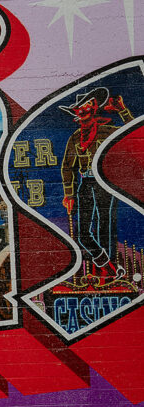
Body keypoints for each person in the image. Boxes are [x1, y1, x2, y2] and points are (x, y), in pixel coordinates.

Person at [60, 87, 133, 283]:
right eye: (80, 107)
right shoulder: (75, 137)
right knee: (83, 233)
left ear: (94, 108)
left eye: (88, 105)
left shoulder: (107, 130)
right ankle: (109, 267)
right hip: (85, 183)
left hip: (105, 183)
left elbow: (133, 134)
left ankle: (107, 274)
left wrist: (122, 111)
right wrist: (69, 195)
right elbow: (68, 166)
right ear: (76, 112)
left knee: (105, 227)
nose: (84, 109)